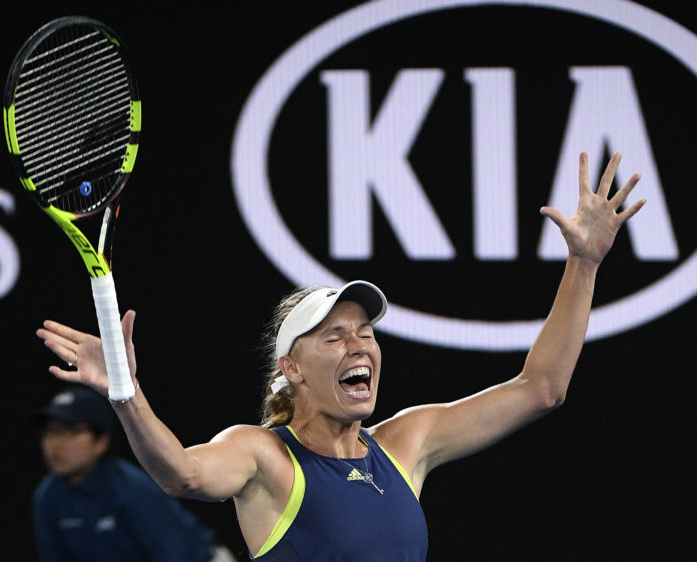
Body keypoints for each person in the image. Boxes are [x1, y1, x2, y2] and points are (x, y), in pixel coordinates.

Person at [36, 152, 645, 560]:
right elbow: (182, 474)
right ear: (291, 369)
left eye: (365, 333)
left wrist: (584, 263)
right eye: (333, 336)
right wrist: (126, 392)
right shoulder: (264, 456)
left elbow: (541, 387)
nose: (358, 346)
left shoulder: (408, 443)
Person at [31, 385, 219, 562]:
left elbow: (172, 555)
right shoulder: (47, 497)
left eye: (71, 432)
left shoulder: (133, 489)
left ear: (101, 442)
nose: (56, 444)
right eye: (51, 432)